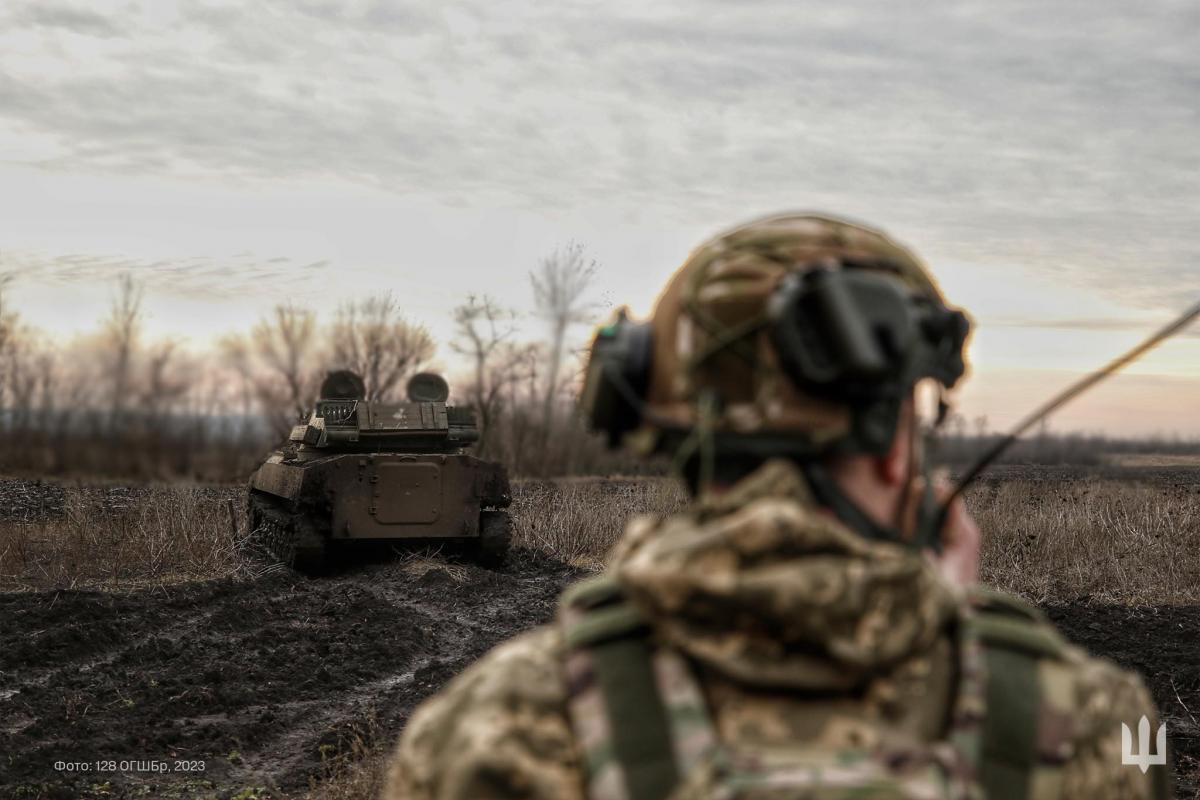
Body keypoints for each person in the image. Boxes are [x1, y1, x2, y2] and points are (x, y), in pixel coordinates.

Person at [384, 213, 1168, 799]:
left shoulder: (487, 735)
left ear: (665, 431)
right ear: (898, 446)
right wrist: (939, 627)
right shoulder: (1096, 727)